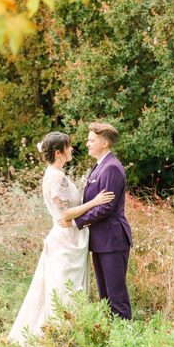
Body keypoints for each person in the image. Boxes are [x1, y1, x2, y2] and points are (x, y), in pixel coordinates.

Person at [8, 132, 115, 346]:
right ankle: (62, 343)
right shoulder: (56, 177)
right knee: (65, 292)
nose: (73, 149)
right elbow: (64, 214)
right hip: (65, 242)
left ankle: (67, 341)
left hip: (72, 240)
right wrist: (94, 202)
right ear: (59, 153)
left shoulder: (56, 173)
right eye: (69, 147)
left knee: (66, 291)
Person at [62, 122, 134, 320]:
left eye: (91, 140)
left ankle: (126, 342)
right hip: (100, 240)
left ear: (104, 142)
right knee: (105, 297)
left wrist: (77, 222)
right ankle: (111, 340)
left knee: (116, 296)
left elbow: (106, 207)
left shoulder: (112, 168)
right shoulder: (99, 167)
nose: (87, 143)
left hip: (113, 239)